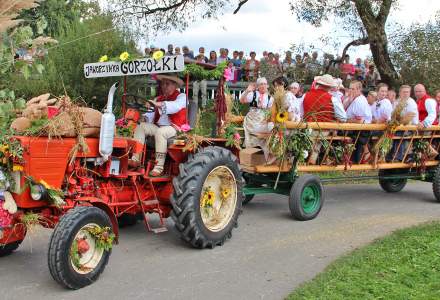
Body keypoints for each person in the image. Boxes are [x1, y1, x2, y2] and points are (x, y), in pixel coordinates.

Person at [130, 75, 187, 176]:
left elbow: (175, 107)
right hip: (158, 126)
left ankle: (159, 167)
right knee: (141, 126)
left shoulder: (181, 97)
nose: (164, 86)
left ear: (174, 85)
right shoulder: (159, 98)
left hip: (175, 128)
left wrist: (157, 104)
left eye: (167, 84)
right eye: (162, 84)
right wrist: (142, 118)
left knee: (161, 132)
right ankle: (135, 159)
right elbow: (150, 115)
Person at [240, 77, 274, 160]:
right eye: (261, 84)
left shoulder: (270, 98)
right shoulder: (253, 94)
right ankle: (253, 154)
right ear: (258, 86)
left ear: (267, 86)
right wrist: (247, 91)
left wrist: (267, 119)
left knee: (271, 127)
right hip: (252, 119)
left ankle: (266, 155)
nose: (263, 86)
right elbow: (242, 100)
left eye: (264, 84)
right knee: (256, 131)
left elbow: (270, 112)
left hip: (263, 119)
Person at [388, 85, 419, 161]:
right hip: (398, 126)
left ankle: (398, 157)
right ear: (400, 93)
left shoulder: (411, 102)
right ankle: (388, 156)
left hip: (410, 128)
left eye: (407, 92)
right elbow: (392, 115)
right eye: (404, 92)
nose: (406, 94)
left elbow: (409, 119)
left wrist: (399, 121)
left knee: (399, 133)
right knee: (388, 133)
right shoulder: (396, 102)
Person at [344, 81, 373, 163]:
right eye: (350, 88)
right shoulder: (356, 99)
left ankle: (365, 154)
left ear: (359, 89)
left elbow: (359, 120)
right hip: (357, 129)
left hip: (360, 130)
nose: (350, 90)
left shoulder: (359, 101)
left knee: (339, 133)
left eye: (353, 89)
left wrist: (346, 120)